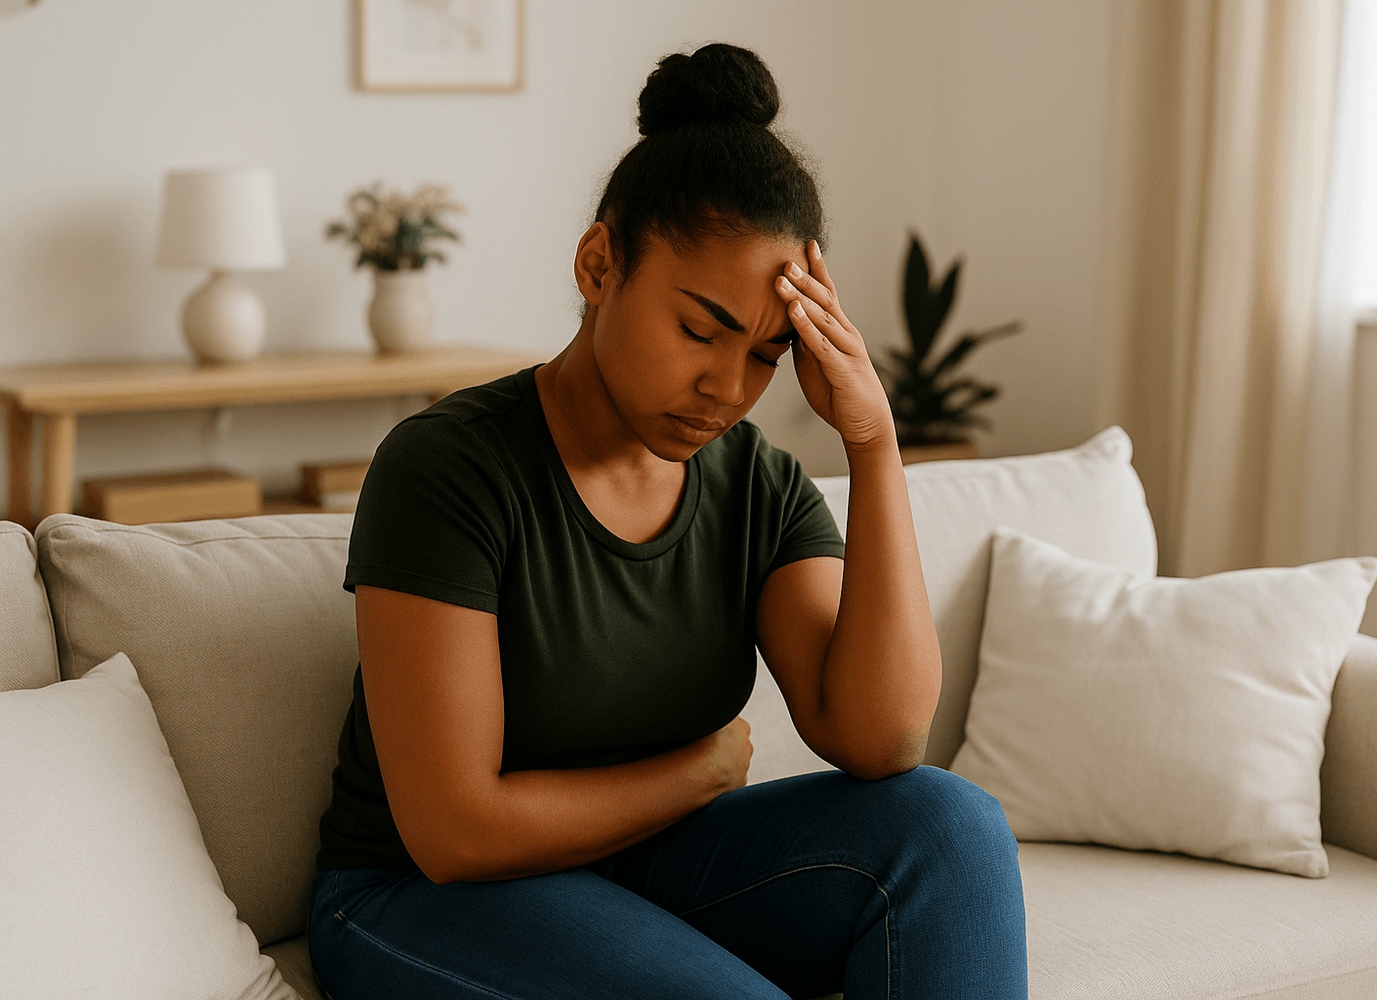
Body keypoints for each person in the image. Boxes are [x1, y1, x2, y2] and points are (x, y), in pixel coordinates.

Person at [308, 42, 1027, 1000]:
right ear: (599, 264)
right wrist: (699, 773)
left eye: (768, 354)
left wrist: (872, 440)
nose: (728, 388)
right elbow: (456, 832)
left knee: (949, 826)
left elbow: (882, 739)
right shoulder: (449, 468)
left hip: (651, 871)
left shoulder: (758, 486)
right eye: (699, 330)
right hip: (419, 898)